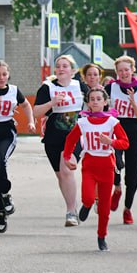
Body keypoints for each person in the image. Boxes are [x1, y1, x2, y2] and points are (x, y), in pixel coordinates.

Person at [63, 87, 130, 251]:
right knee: (88, 197)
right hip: (90, 164)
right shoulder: (83, 122)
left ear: (105, 102)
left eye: (99, 99)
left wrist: (111, 142)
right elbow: (70, 140)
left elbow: (125, 143)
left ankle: (102, 236)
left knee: (104, 207)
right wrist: (67, 157)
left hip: (107, 164)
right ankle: (86, 206)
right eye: (92, 99)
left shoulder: (112, 122)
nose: (95, 102)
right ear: (88, 103)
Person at [0, 61, 35, 233]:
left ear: (8, 75)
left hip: (6, 131)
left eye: (4, 74)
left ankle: (6, 195)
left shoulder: (14, 90)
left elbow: (25, 105)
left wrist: (31, 121)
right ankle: (1, 211)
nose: (1, 78)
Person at [33, 55, 87, 226]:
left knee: (66, 169)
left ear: (73, 71)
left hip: (75, 133)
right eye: (58, 66)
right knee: (61, 175)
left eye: (65, 66)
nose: (61, 69)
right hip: (53, 137)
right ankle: (71, 205)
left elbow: (96, 102)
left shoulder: (80, 86)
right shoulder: (47, 88)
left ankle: (71, 212)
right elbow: (36, 112)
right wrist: (52, 103)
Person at [105, 56, 137, 225]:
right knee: (114, 161)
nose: (123, 73)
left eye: (126, 70)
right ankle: (117, 187)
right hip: (116, 128)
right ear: (117, 72)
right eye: (120, 70)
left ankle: (127, 208)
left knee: (133, 173)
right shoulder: (111, 88)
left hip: (134, 131)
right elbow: (101, 105)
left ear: (132, 70)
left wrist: (133, 102)